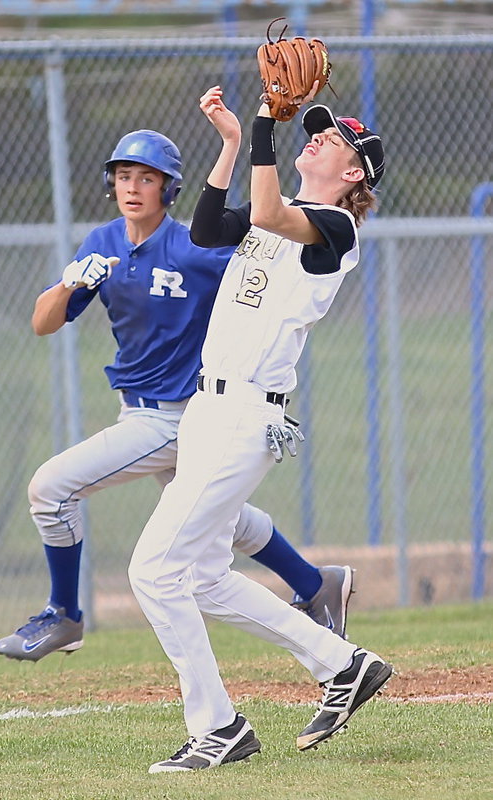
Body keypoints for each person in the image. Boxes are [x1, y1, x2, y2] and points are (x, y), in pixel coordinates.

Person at [0, 128, 354, 663]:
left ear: (170, 189)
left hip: (179, 415)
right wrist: (69, 284)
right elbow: (43, 323)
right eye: (123, 177)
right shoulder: (102, 244)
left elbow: (260, 272)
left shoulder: (193, 247)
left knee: (50, 489)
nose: (133, 187)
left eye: (147, 178)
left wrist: (242, 144)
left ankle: (64, 615)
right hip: (149, 412)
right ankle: (314, 582)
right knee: (222, 520)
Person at [127, 84, 392, 774]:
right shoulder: (286, 214)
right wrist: (234, 145)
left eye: (332, 140)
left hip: (244, 413)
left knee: (154, 570)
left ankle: (218, 728)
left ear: (354, 173)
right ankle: (343, 663)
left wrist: (267, 124)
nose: (318, 138)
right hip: (213, 409)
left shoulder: (335, 229)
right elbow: (208, 230)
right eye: (316, 131)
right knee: (206, 578)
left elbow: (267, 210)